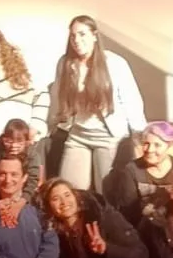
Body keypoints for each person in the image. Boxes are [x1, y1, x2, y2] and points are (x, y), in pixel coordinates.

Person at [47, 16, 146, 193]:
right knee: (72, 192)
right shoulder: (65, 63)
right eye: (73, 36)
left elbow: (130, 99)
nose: (77, 40)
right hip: (78, 134)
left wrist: (139, 133)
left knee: (106, 192)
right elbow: (57, 97)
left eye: (82, 34)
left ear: (94, 36)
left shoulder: (114, 63)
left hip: (108, 136)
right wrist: (50, 125)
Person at [104, 121, 173, 225]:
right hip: (143, 228)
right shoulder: (132, 170)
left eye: (157, 145)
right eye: (146, 144)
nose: (150, 149)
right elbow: (128, 211)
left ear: (169, 146)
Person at [0, 119, 43, 206]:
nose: (13, 146)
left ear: (26, 142)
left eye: (19, 142)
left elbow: (33, 181)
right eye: (8, 141)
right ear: (3, 139)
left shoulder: (32, 155)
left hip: (23, 197)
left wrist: (22, 201)